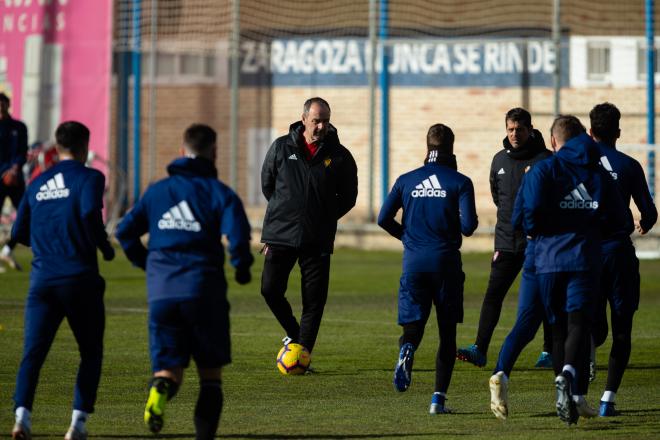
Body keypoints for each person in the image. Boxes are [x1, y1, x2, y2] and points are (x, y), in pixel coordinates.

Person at [115, 124, 253, 439]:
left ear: (181, 150)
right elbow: (238, 236)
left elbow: (124, 231)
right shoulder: (220, 192)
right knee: (210, 379)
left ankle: (159, 390)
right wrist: (241, 267)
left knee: (168, 370)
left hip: (162, 295)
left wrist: (146, 262)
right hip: (204, 292)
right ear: (214, 152)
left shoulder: (157, 191)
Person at [519, 115, 626, 425]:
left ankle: (561, 395)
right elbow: (618, 219)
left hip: (549, 261)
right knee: (579, 323)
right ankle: (569, 375)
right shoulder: (597, 174)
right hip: (583, 260)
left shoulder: (543, 170)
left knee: (556, 329)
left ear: (554, 140)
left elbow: (528, 213)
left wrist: (536, 233)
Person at [11, 121, 114, 440]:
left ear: (56, 148)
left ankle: (21, 419)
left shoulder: (37, 184)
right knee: (90, 352)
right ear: (85, 146)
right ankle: (76, 425)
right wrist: (106, 248)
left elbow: (17, 233)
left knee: (33, 353)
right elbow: (88, 214)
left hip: (42, 280)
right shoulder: (91, 177)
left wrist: (45, 244)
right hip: (79, 278)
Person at [378, 124, 478, 414]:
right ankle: (438, 401)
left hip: (414, 263)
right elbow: (470, 226)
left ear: (427, 146)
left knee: (413, 326)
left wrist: (408, 237)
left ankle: (407, 349)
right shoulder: (460, 181)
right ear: (451, 147)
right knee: (447, 335)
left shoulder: (406, 180)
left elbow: (383, 218)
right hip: (445, 263)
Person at [260, 97, 358, 359]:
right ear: (303, 120)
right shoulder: (281, 147)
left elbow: (349, 197)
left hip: (317, 238)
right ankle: (296, 337)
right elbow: (268, 185)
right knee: (269, 289)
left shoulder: (340, 156)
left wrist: (322, 217)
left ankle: (302, 354)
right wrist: (286, 212)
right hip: (280, 234)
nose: (321, 126)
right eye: (316, 121)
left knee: (314, 302)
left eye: (325, 121)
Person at [457, 108, 553, 368]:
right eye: (510, 129)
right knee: (493, 294)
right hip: (506, 240)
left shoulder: (546, 160)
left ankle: (549, 351)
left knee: (545, 295)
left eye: (519, 129)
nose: (514, 134)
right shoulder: (499, 160)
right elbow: (498, 196)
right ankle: (479, 348)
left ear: (530, 130)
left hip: (539, 241)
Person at [589, 102, 657, 416]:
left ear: (590, 132)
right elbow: (650, 213)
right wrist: (644, 224)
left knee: (590, 326)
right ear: (618, 131)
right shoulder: (628, 165)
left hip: (585, 255)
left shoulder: (577, 165)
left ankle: (587, 347)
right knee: (623, 329)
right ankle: (607, 400)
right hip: (618, 254)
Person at [0, 92, 28, 271]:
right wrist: (4, 173)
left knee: (26, 216)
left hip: (15, 179)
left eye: (3, 103)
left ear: (8, 104)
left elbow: (22, 152)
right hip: (1, 178)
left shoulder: (19, 127)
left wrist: (14, 169)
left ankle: (7, 249)